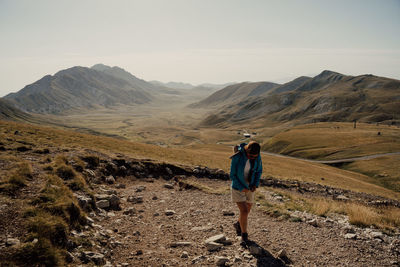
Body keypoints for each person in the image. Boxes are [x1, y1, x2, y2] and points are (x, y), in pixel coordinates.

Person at [229, 141, 262, 245]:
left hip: (250, 188)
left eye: (254, 156)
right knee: (244, 211)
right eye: (250, 156)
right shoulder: (237, 157)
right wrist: (240, 187)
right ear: (246, 150)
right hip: (238, 188)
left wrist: (255, 184)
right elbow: (232, 175)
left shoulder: (257, 157)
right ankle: (244, 236)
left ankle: (239, 224)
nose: (252, 158)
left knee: (247, 210)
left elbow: (259, 171)